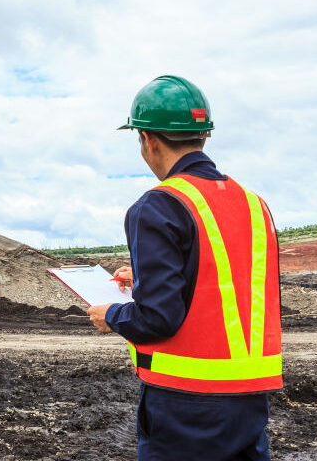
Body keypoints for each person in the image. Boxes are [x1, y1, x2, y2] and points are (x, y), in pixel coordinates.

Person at [87, 75, 282, 461]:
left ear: (148, 140)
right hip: (250, 401)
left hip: (185, 405)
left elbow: (157, 319)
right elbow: (229, 282)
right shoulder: (254, 204)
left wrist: (112, 314)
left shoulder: (157, 206)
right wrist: (142, 277)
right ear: (204, 137)